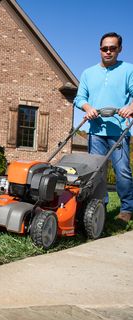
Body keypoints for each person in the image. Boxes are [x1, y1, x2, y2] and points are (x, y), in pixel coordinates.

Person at [74, 32, 133, 222]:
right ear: (100, 49)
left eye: (112, 48)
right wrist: (88, 108)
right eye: (104, 48)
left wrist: (129, 107)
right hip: (95, 131)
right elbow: (79, 98)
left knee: (122, 170)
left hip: (118, 131)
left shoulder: (128, 70)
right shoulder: (88, 73)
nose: (108, 52)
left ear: (119, 49)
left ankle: (127, 209)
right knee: (96, 173)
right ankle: (99, 207)